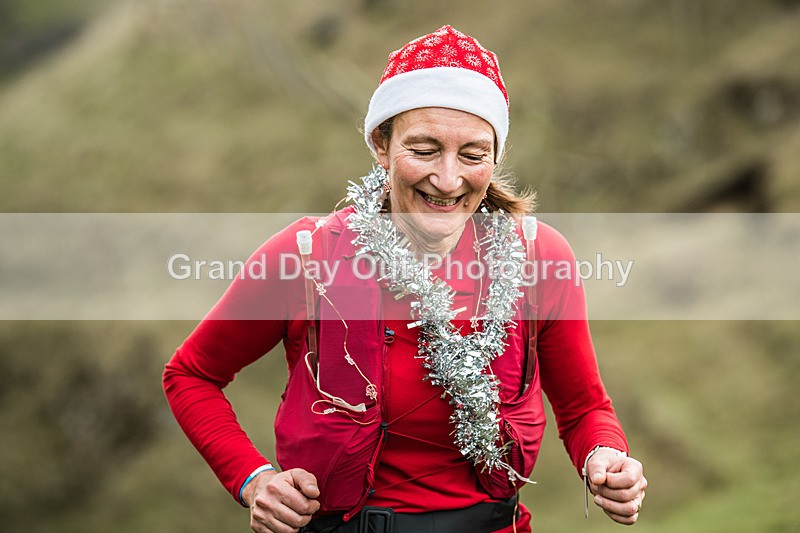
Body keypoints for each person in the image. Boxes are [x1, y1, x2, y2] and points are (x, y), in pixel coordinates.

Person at [163, 25, 647, 533]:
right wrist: (253, 479)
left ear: (496, 156)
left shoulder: (539, 258)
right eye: (423, 149)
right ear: (380, 144)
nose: (447, 178)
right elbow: (191, 376)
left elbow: (584, 407)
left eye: (473, 154)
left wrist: (604, 458)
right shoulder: (307, 256)